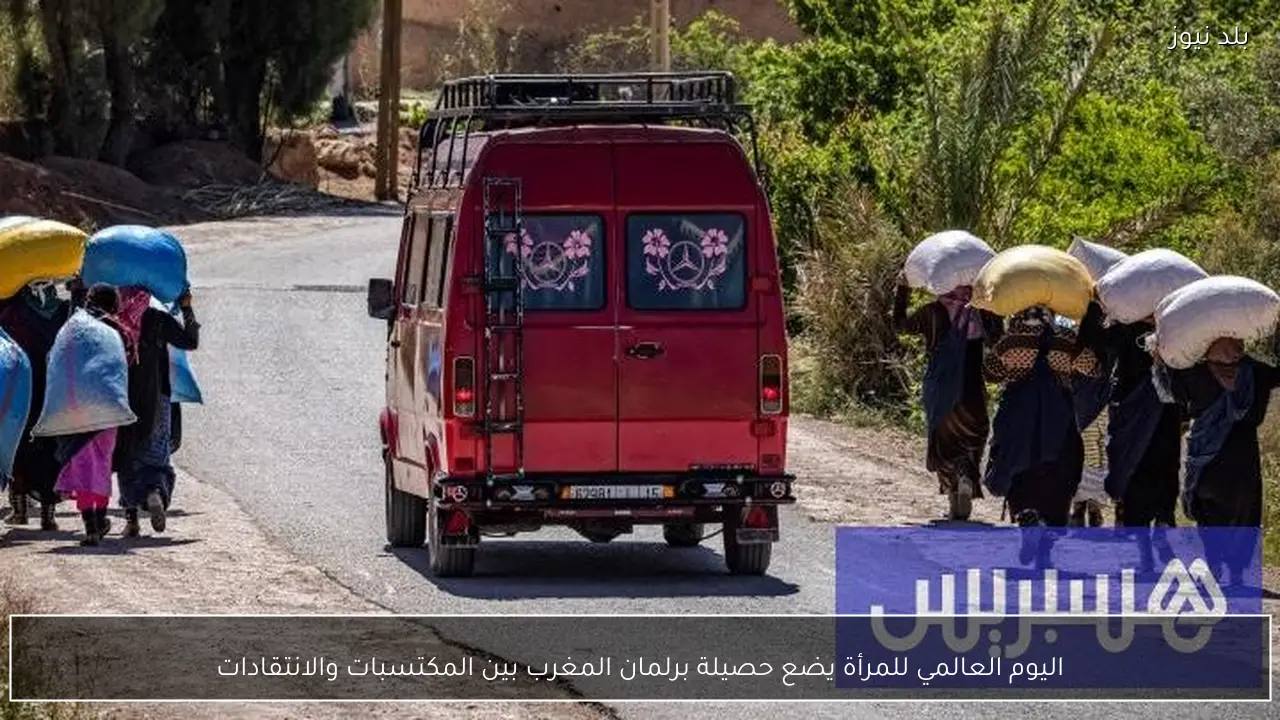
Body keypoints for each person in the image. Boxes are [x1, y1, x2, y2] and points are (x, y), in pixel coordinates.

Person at [1154, 336, 1279, 585]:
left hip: (1206, 457)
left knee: (1209, 513)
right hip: (1244, 456)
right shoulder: (1256, 372)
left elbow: (1169, 393)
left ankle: (1213, 564)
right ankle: (1236, 572)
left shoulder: (1195, 373)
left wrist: (1160, 358)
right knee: (1244, 514)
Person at [983, 306, 1103, 566]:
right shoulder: (1064, 340)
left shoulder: (1012, 340)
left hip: (1017, 421)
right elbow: (1092, 368)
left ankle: (1027, 516)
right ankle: (1046, 550)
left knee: (1018, 471)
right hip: (1057, 424)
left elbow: (990, 372)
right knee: (1061, 478)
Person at [1078, 301, 1181, 572]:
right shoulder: (1171, 329)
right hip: (1152, 415)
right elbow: (1093, 341)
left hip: (1146, 416)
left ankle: (1152, 541)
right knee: (1152, 475)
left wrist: (1094, 308)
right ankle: (1155, 535)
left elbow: (1093, 341)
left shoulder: (1138, 327)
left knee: (1148, 475)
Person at [893, 272, 1004, 521]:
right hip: (972, 390)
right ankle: (965, 474)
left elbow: (900, 325)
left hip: (941, 388)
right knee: (973, 437)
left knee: (944, 443)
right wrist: (988, 302)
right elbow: (998, 339)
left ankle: (955, 489)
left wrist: (902, 290)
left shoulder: (932, 312)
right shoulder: (981, 312)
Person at [113, 287, 199, 537]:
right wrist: (186, 308)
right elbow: (190, 341)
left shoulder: (113, 319)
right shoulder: (157, 317)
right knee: (156, 453)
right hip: (157, 396)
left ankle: (131, 519)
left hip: (120, 395)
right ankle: (155, 492)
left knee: (126, 455)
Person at [53, 284, 131, 546]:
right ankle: (99, 518)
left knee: (83, 464)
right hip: (108, 409)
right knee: (101, 465)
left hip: (75, 408)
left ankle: (91, 526)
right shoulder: (117, 329)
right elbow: (127, 363)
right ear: (114, 304)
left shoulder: (73, 329)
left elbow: (56, 361)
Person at [0, 281, 71, 530]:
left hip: (21, 389)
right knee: (52, 447)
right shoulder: (64, 311)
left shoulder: (12, 312)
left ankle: (19, 510)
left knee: (18, 444)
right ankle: (48, 515)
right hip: (54, 388)